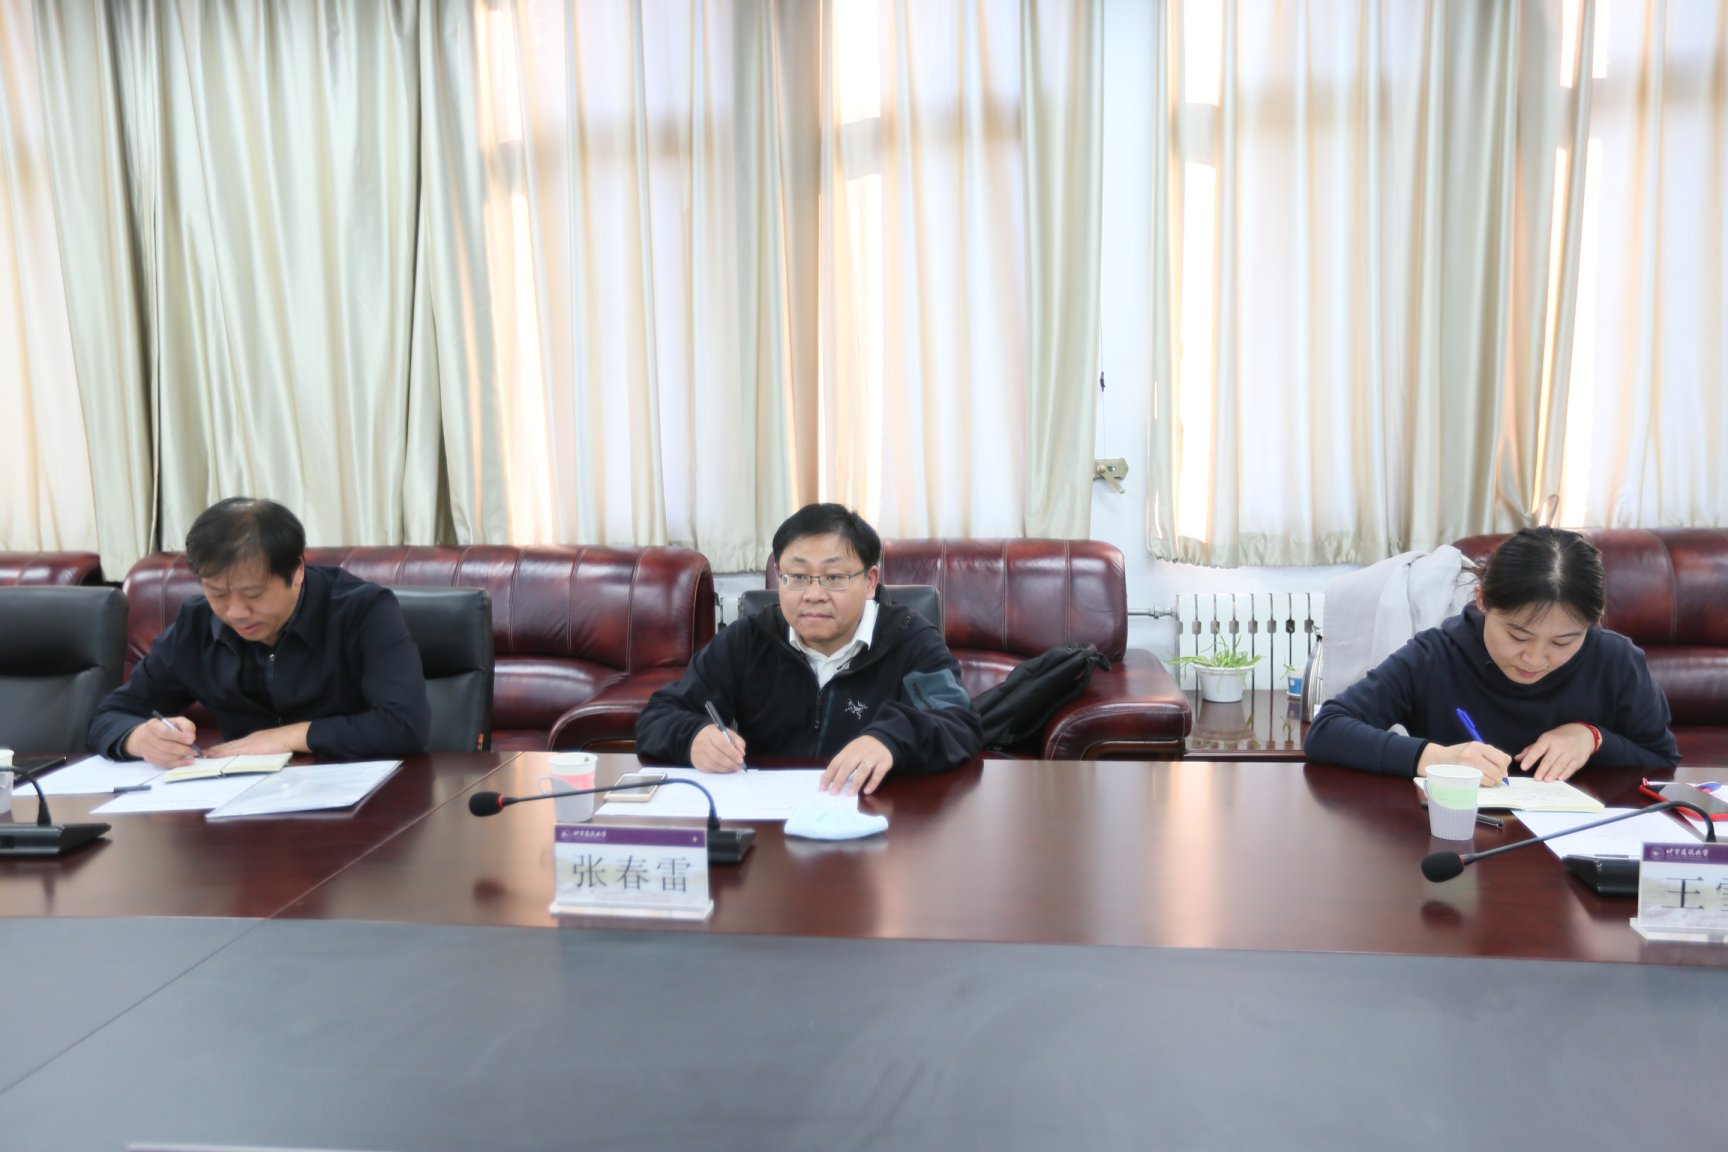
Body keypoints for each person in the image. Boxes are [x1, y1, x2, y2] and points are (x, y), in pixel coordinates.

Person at [635, 503, 982, 795]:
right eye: (798, 577)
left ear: (870, 582)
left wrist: (890, 740)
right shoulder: (749, 639)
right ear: (779, 577)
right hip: (768, 819)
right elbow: (658, 716)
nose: (814, 594)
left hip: (873, 817)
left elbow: (959, 723)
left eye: (834, 578)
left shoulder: (909, 638)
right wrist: (694, 738)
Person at [1305, 526, 1679, 782]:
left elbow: (1663, 760)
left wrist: (1593, 738)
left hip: (1575, 853)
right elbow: (1327, 730)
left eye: (1562, 642)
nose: (1535, 659)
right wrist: (1436, 758)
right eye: (1518, 635)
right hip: (1458, 845)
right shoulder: (1436, 656)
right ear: (1482, 600)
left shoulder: (1615, 661)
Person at [89, 497, 431, 766]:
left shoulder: (363, 611)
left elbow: (404, 725)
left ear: (296, 571)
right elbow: (110, 715)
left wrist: (285, 738)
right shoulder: (196, 625)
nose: (235, 612)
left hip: (359, 800)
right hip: (239, 808)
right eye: (218, 594)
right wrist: (139, 739)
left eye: (253, 594)